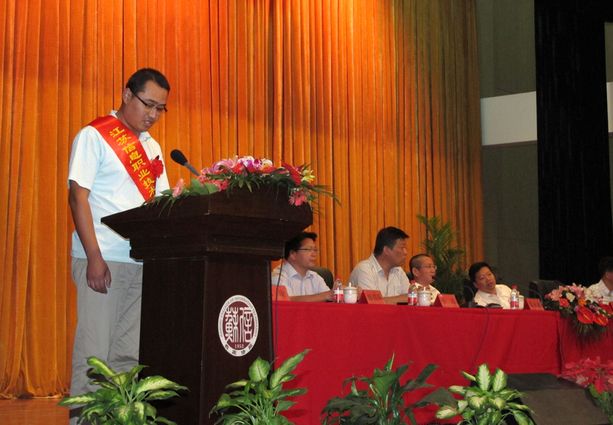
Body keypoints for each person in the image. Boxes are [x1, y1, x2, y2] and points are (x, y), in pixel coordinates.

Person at [67, 68, 171, 420]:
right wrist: (94, 257)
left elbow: (159, 203)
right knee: (94, 358)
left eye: (160, 108)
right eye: (148, 104)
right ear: (127, 95)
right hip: (103, 261)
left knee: (127, 359)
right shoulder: (94, 136)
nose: (153, 114)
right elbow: (77, 197)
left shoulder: (152, 147)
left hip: (141, 262)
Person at [349, 226, 410, 304]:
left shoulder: (399, 271)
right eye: (402, 248)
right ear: (386, 250)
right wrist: (401, 299)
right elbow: (371, 303)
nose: (405, 252)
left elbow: (411, 297)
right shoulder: (365, 269)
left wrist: (382, 300)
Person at [271, 232, 333, 302]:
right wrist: (326, 295)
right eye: (308, 249)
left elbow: (330, 297)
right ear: (293, 254)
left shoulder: (315, 277)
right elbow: (287, 302)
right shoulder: (278, 277)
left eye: (315, 250)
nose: (314, 254)